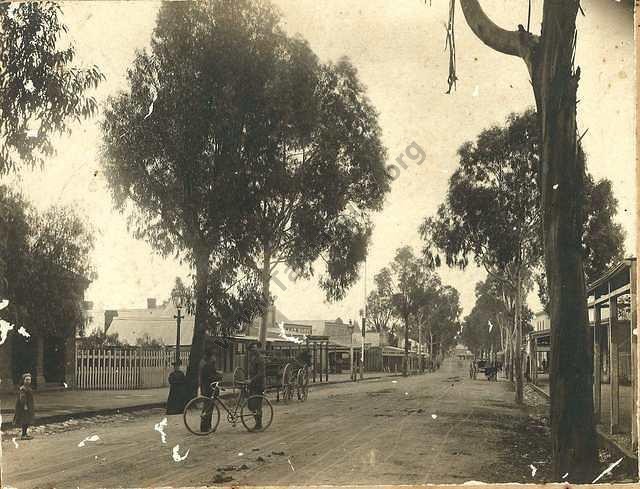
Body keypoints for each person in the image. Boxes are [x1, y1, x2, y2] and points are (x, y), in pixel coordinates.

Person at [199, 348, 221, 432]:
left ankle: (206, 426)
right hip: (209, 389)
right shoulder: (207, 365)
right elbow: (210, 377)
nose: (215, 358)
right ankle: (205, 427)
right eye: (214, 356)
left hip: (205, 388)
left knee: (207, 407)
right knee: (208, 408)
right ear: (210, 356)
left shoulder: (204, 363)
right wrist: (219, 375)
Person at [247, 342, 266, 430]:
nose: (254, 351)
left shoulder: (260, 359)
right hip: (252, 385)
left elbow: (261, 373)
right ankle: (257, 422)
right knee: (250, 405)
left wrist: (251, 380)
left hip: (259, 384)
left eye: (255, 348)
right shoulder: (251, 358)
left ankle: (259, 424)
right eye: (252, 349)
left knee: (257, 405)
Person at [14, 373, 35, 440]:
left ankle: (25, 434)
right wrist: (25, 405)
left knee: (27, 420)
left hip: (29, 405)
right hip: (24, 407)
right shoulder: (23, 388)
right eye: (27, 380)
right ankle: (23, 435)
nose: (28, 381)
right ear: (23, 380)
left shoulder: (28, 388)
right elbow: (22, 398)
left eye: (29, 380)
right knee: (25, 420)